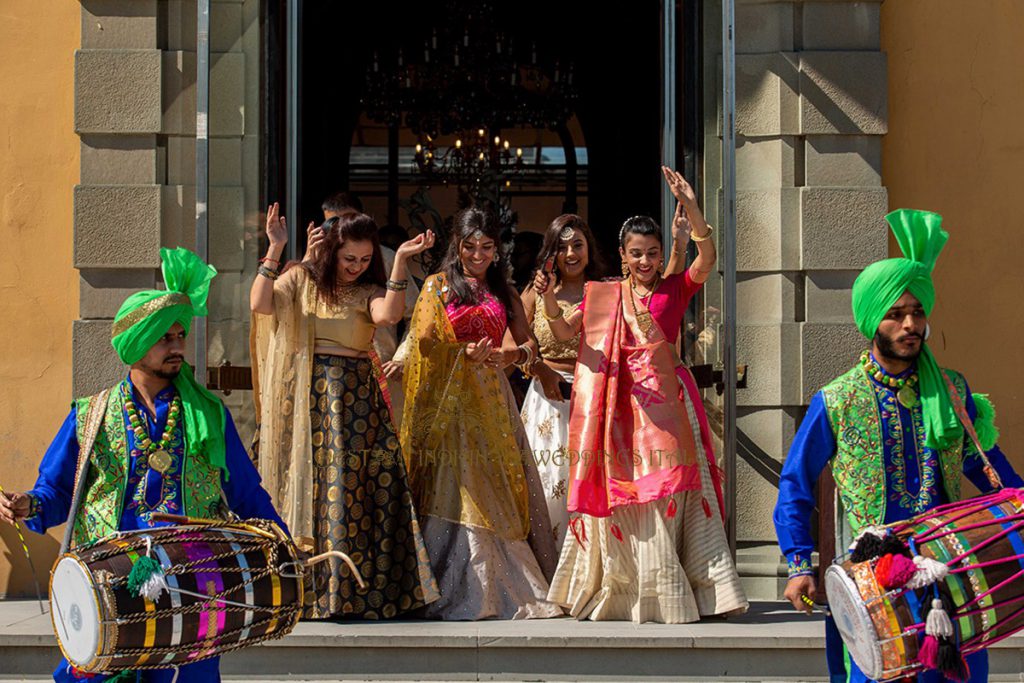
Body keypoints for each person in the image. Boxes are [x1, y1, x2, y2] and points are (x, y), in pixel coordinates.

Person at [0, 247, 286, 683]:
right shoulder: (91, 414)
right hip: (110, 580)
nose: (177, 347)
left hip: (193, 578)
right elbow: (57, 493)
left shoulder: (207, 414)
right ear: (136, 346)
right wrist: (29, 506)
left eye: (179, 336)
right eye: (164, 338)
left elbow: (246, 493)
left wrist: (281, 543)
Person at [773, 208, 1024, 683]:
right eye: (896, 314)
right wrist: (798, 562)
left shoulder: (951, 390)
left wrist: (1018, 502)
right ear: (872, 322)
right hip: (871, 579)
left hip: (949, 571)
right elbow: (795, 484)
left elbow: (986, 464)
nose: (911, 324)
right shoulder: (837, 399)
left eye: (918, 312)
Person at [539, 166, 748, 624]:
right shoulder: (606, 296)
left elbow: (707, 258)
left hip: (670, 404)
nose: (645, 261)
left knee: (669, 493)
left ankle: (685, 590)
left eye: (652, 253)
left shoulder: (675, 288)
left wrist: (693, 210)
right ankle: (623, 589)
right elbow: (563, 333)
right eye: (637, 254)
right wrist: (552, 300)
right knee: (626, 496)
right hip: (619, 410)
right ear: (622, 255)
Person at [250, 203, 439, 619]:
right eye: (349, 258)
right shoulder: (301, 279)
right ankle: (308, 591)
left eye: (366, 259)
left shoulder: (369, 291)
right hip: (307, 399)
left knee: (354, 487)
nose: (356, 266)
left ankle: (352, 594)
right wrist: (276, 249)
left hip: (355, 401)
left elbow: (389, 314)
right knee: (312, 486)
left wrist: (401, 261)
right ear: (332, 251)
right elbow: (261, 304)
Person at [400, 206, 563, 620]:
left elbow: (529, 348)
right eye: (469, 246)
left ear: (497, 248)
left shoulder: (504, 291)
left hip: (492, 399)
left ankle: (502, 585)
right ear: (458, 245)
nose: (477, 255)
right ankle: (446, 581)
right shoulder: (437, 287)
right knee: (456, 482)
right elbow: (422, 344)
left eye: (486, 247)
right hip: (449, 405)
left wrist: (512, 353)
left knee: (495, 485)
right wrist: (461, 352)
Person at [517, 214, 604, 550]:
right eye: (562, 246)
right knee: (546, 479)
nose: (570, 253)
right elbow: (518, 344)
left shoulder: (603, 291)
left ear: (589, 249)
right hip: (546, 401)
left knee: (587, 482)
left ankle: (586, 570)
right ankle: (548, 568)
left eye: (577, 245)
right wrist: (540, 369)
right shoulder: (535, 293)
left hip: (592, 397)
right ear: (550, 252)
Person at [312, 193, 419, 427]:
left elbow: (417, 315)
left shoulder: (386, 258)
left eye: (346, 222)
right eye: (331, 224)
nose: (340, 231)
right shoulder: (313, 264)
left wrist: (402, 357)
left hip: (381, 371)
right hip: (324, 379)